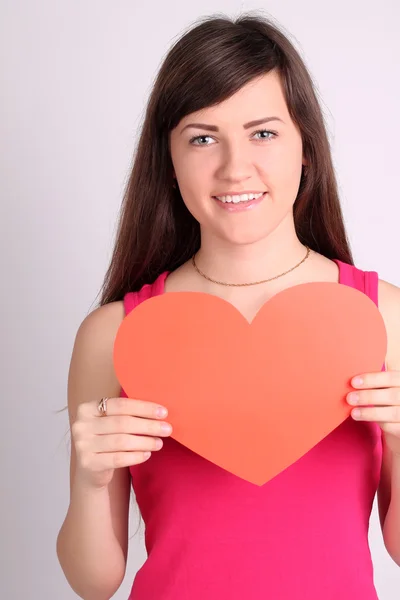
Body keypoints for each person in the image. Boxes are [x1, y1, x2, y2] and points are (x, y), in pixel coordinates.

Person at [56, 12, 400, 600]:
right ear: (168, 162)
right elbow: (94, 583)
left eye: (263, 133)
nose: (235, 167)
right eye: (202, 137)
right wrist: (90, 484)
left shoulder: (380, 316)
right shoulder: (115, 334)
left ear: (306, 150)